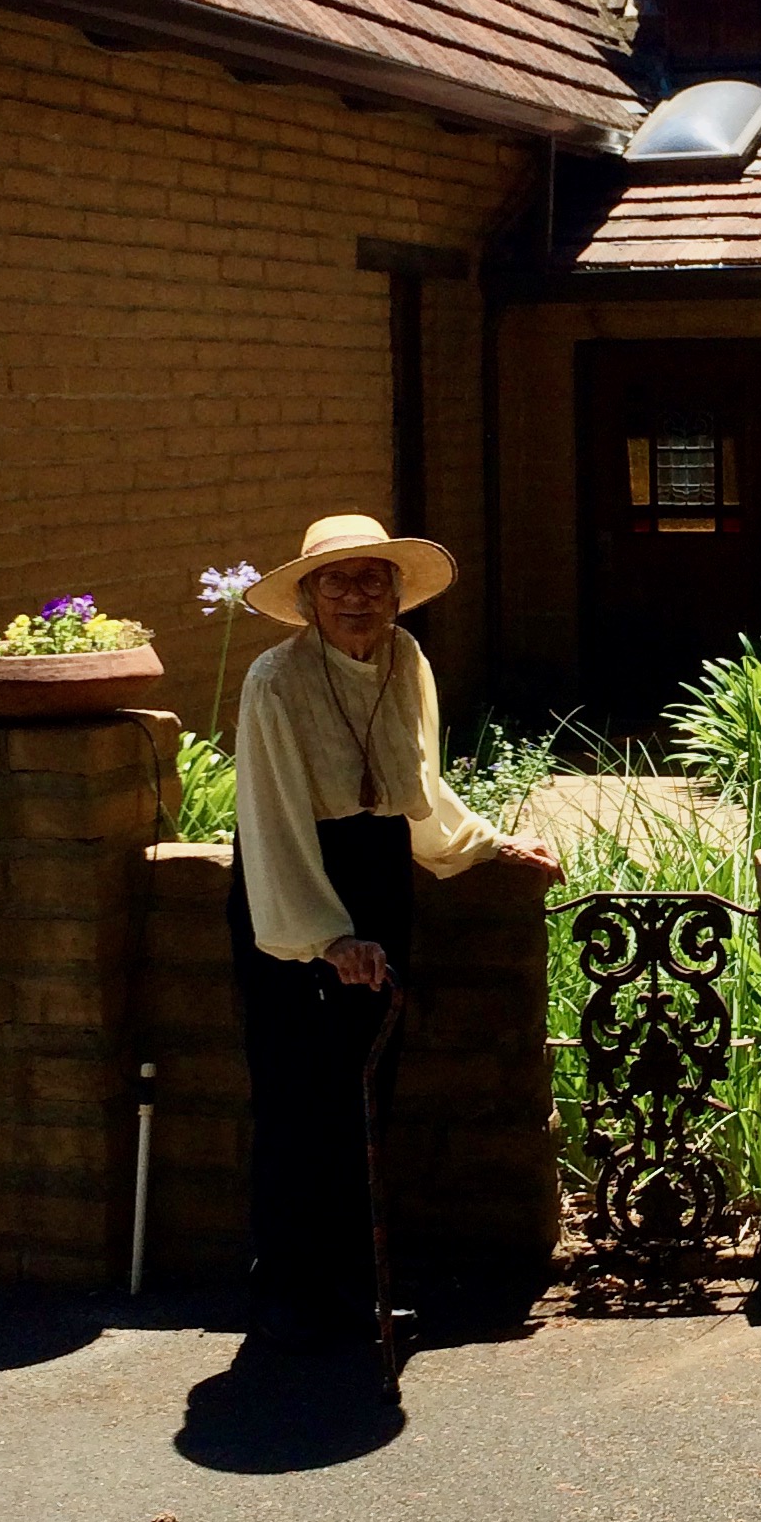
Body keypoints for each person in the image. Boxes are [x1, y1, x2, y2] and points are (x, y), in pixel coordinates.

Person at [228, 512, 557, 1352]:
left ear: (397, 594)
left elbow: (418, 784)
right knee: (301, 1097)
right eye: (335, 581)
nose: (356, 595)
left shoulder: (406, 659)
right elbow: (270, 818)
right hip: (294, 893)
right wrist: (327, 938)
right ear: (304, 598)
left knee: (365, 1094)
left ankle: (348, 1285)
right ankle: (287, 1293)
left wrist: (486, 844)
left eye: (373, 578)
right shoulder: (274, 679)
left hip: (376, 877)